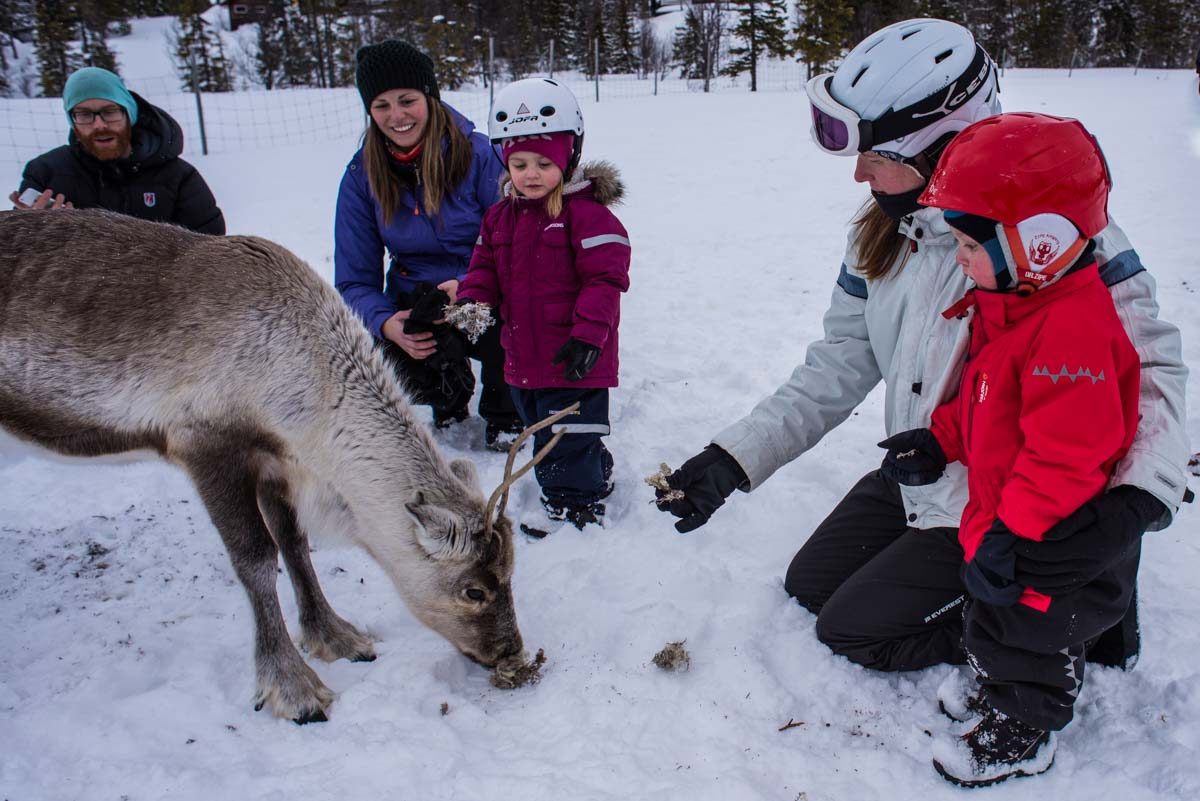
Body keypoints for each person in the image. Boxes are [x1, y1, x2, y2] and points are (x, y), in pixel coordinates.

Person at [654, 14, 1187, 777]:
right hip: (933, 460)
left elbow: (1151, 372)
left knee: (852, 629)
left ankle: (1057, 624)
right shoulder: (885, 233)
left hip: (1011, 495)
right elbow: (840, 361)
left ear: (941, 147)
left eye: (876, 156)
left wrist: (1136, 501)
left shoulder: (1056, 231)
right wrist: (733, 459)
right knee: (810, 586)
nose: (859, 175)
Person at [878, 113, 1140, 785]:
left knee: (1029, 636)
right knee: (988, 618)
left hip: (1048, 546)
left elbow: (1066, 456)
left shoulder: (1070, 331)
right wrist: (939, 440)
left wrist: (1012, 535)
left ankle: (1023, 727)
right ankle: (994, 680)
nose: (958, 258)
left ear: (1042, 245)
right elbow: (982, 400)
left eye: (968, 244)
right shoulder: (1011, 305)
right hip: (1001, 520)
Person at [456, 78, 631, 536]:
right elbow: (484, 267)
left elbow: (605, 279)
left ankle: (576, 507)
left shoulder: (587, 215)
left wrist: (589, 335)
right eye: (518, 163)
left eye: (543, 163)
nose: (530, 174)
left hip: (573, 353)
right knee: (539, 428)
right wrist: (473, 300)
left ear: (569, 157)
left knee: (565, 436)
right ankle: (591, 470)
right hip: (523, 355)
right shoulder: (499, 217)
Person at [334, 40, 521, 448]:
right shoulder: (360, 178)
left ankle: (504, 409)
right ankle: (446, 400)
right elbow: (353, 282)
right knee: (391, 345)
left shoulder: (478, 156)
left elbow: (514, 244)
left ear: (430, 97)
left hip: (480, 289)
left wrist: (469, 286)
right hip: (415, 300)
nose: (396, 116)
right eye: (381, 105)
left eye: (406, 100)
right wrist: (387, 323)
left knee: (519, 312)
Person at [9, 67, 224, 235]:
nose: (99, 125)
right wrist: (32, 227)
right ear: (72, 120)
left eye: (109, 112)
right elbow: (16, 260)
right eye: (84, 114)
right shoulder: (45, 173)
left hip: (159, 290)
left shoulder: (179, 177)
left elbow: (212, 252)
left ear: (129, 113)